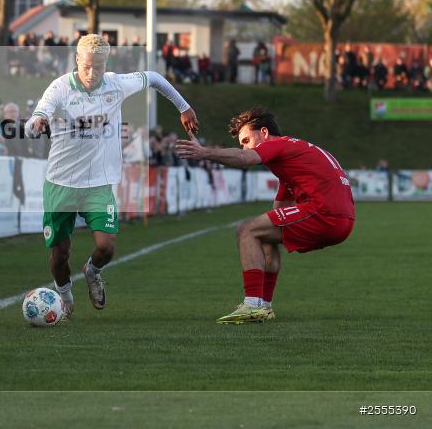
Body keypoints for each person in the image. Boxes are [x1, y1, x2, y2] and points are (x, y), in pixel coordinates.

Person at [24, 34, 198, 316]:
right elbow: (37, 116)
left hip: (98, 184)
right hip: (61, 183)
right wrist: (37, 123)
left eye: (99, 67)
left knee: (106, 247)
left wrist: (184, 107)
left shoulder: (116, 84)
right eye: (87, 66)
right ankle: (65, 296)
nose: (92, 73)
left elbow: (154, 77)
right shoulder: (59, 87)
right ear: (77, 60)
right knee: (59, 254)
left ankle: (92, 272)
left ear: (107, 64)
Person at [174, 107, 355, 324]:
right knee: (263, 236)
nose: (244, 147)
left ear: (264, 133)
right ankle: (264, 306)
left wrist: (205, 153)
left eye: (246, 140)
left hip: (325, 213)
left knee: (246, 229)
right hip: (342, 218)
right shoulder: (292, 157)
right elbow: (278, 210)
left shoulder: (277, 145)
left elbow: (243, 158)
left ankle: (252, 304)